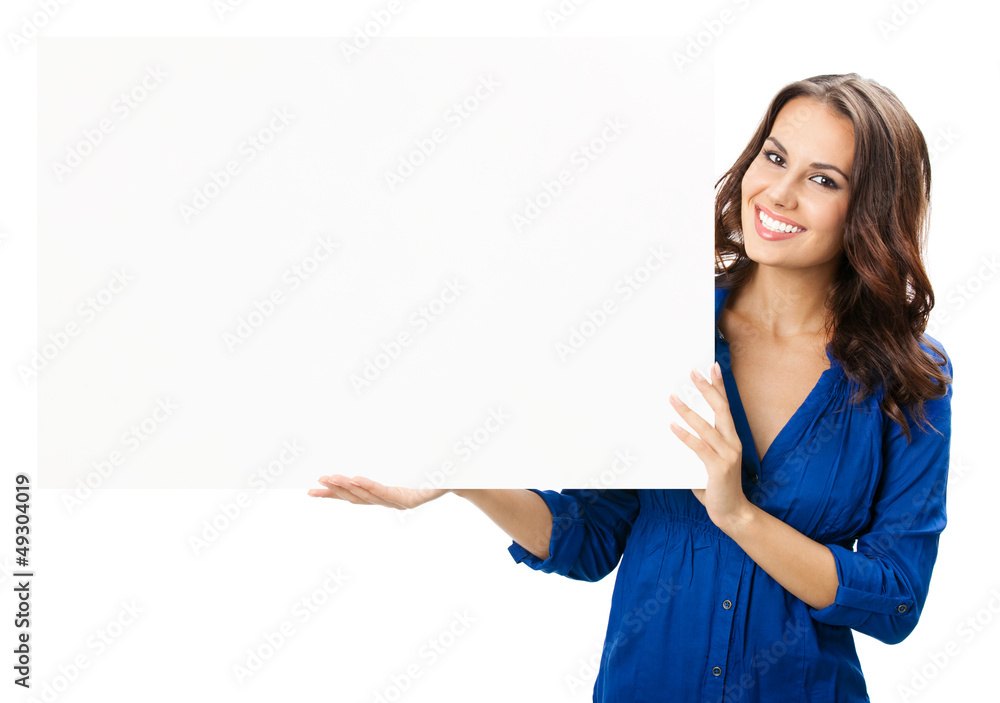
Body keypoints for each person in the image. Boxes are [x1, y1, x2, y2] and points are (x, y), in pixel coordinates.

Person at [307, 73, 954, 702]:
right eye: (774, 156)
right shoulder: (652, 325)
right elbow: (590, 535)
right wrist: (465, 475)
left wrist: (738, 514)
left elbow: (895, 597)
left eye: (821, 178)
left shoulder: (910, 375)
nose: (778, 193)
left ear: (870, 207)